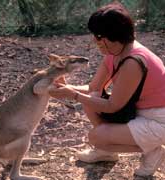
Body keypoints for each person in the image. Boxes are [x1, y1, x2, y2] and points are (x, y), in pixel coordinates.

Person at [49, 1, 165, 177]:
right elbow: (92, 88)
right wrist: (67, 87)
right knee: (92, 97)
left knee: (96, 137)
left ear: (108, 36)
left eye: (97, 36)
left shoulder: (133, 62)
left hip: (158, 121)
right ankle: (107, 151)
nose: (95, 41)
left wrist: (73, 95)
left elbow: (112, 106)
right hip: (140, 112)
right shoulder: (117, 52)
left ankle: (153, 150)